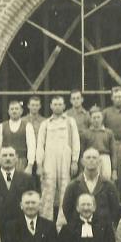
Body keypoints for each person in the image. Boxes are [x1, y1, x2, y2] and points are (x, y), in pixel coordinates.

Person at [35, 95, 80, 226]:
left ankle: (63, 223)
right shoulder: (46, 123)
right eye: (55, 104)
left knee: (65, 188)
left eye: (60, 104)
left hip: (65, 158)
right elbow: (40, 145)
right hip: (49, 159)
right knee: (47, 189)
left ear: (64, 106)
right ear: (50, 106)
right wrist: (39, 164)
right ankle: (45, 222)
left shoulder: (70, 122)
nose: (57, 107)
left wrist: (74, 161)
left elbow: (75, 142)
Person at [0, 145, 36, 227]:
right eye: (4, 155)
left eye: (11, 155)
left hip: (20, 229)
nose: (8, 158)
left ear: (16, 159)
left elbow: (33, 206)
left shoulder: (27, 179)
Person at [62, 147, 121, 225]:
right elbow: (67, 208)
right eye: (88, 158)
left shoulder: (109, 186)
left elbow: (115, 209)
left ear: (99, 162)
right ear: (82, 162)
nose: (91, 160)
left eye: (94, 158)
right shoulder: (73, 186)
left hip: (102, 231)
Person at [0, 100, 36, 174]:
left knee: (20, 184)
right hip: (5, 162)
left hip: (21, 162)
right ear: (8, 111)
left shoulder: (27, 126)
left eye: (16, 109)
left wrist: (30, 165)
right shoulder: (1, 126)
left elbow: (31, 146)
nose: (14, 111)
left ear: (21, 111)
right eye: (12, 109)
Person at [82, 106, 115, 180]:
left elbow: (113, 152)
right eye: (94, 118)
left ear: (102, 118)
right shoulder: (86, 133)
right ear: (90, 119)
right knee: (91, 179)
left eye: (98, 117)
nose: (96, 120)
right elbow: (82, 151)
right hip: (91, 158)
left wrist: (114, 170)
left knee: (106, 179)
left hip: (105, 158)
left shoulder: (108, 132)